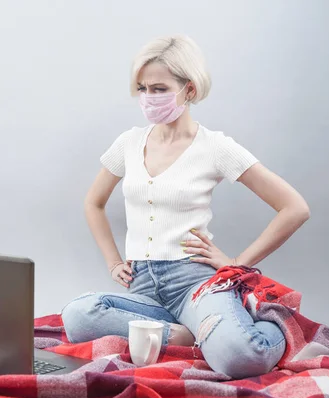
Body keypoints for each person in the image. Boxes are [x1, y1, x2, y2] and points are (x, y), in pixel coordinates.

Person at [61, 35, 311, 379]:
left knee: (240, 358)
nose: (148, 97)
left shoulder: (215, 147)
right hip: (143, 286)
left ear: (189, 90)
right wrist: (113, 261)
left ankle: (271, 327)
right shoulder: (129, 143)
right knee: (78, 316)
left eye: (159, 88)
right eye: (143, 88)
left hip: (194, 282)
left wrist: (237, 265)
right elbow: (93, 202)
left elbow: (294, 207)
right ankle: (189, 335)